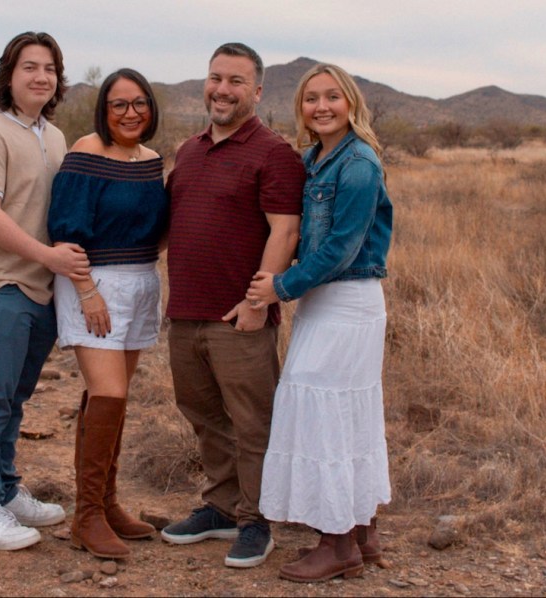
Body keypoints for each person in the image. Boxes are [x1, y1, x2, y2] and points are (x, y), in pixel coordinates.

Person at [246, 63, 394, 582]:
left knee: (323, 412)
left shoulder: (357, 163)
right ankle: (363, 531)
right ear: (301, 108)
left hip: (346, 300)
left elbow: (341, 246)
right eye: (312, 99)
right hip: (326, 302)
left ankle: (337, 546)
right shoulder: (315, 159)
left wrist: (279, 287)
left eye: (333, 96)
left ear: (350, 102)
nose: (322, 106)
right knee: (347, 413)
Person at [161, 42, 305, 569]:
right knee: (202, 413)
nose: (223, 89)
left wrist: (254, 303)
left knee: (252, 422)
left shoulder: (273, 153)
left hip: (238, 316)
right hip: (186, 312)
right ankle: (221, 508)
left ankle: (256, 520)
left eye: (236, 81)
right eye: (216, 77)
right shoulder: (191, 149)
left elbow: (285, 230)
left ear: (258, 91)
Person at [0, 31, 91, 551]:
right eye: (29, 67)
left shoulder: (53, 136)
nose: (40, 77)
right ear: (8, 75)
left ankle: (5, 492)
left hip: (41, 289)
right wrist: (49, 257)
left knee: (15, 397)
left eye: (50, 69)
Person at [48, 68, 168, 559]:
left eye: (139, 102)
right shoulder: (86, 151)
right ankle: (86, 517)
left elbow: (158, 228)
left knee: (111, 401)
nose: (130, 112)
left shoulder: (152, 159)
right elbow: (65, 230)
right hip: (92, 283)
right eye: (119, 104)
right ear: (104, 109)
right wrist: (86, 291)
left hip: (140, 282)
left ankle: (107, 504)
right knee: (108, 391)